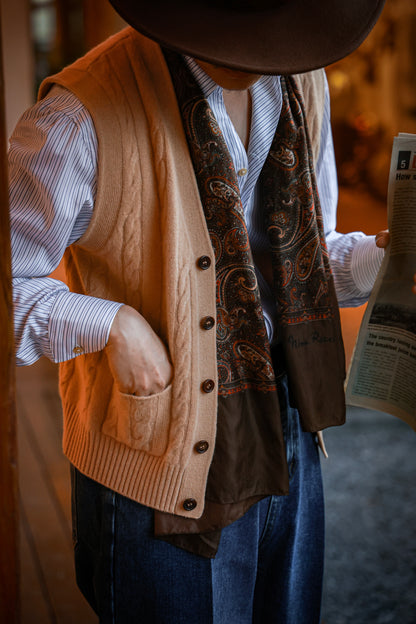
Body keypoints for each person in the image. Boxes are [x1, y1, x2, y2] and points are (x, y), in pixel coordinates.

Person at [9, 1, 391, 622]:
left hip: (287, 424)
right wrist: (111, 325)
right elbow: (6, 282)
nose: (261, 49)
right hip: (156, 457)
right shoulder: (80, 112)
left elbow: (302, 256)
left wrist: (384, 261)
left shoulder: (302, 79)